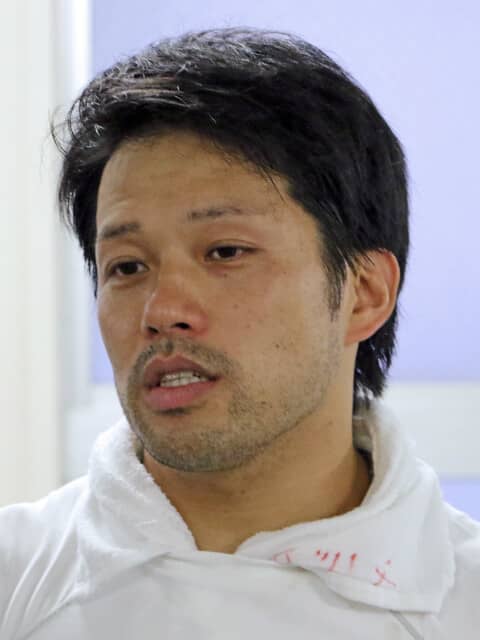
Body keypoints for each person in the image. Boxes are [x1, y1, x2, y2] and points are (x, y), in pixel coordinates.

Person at [1, 27, 478, 639]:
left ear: (364, 293)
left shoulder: (463, 603)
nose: (163, 310)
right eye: (127, 267)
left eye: (225, 252)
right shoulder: (18, 578)